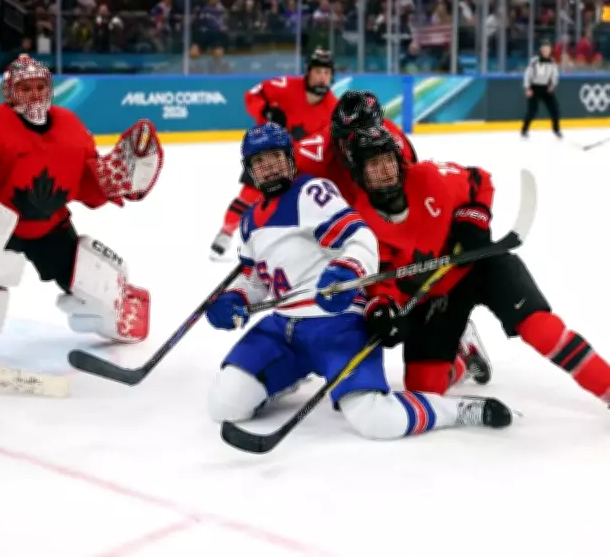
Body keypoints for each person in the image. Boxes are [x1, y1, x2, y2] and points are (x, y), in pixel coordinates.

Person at [204, 122, 513, 439]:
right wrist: (236, 298)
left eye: (275, 157)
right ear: (249, 171)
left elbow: (360, 238)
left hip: (338, 324)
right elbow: (254, 278)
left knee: (377, 421)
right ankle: (290, 374)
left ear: (290, 159)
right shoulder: (249, 222)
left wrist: (347, 271)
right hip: (283, 329)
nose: (268, 168)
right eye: (259, 161)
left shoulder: (311, 193)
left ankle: (460, 410)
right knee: (224, 405)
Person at [0, 54, 164, 376]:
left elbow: (87, 183)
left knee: (98, 284)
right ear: (10, 92)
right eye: (25, 88)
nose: (35, 95)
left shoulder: (71, 126)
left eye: (41, 86)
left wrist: (115, 178)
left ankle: (119, 306)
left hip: (51, 226)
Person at [331, 124, 610, 405]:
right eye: (374, 164)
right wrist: (384, 310)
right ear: (358, 173)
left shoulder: (429, 177)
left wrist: (472, 217)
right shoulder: (360, 224)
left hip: (480, 265)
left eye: (389, 160)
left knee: (541, 329)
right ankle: (466, 355)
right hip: (437, 295)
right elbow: (382, 279)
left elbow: (479, 179)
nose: (386, 170)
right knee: (423, 389)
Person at [329, 91, 493, 389]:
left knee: (415, 292)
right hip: (359, 226)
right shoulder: (339, 148)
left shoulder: (394, 145)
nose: (350, 143)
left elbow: (414, 196)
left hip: (394, 233)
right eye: (345, 136)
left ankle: (459, 339)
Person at [209, 48, 337, 259]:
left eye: (326, 73)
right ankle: (226, 232)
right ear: (308, 71)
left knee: (294, 205)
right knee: (249, 195)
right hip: (266, 151)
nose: (322, 78)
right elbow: (253, 95)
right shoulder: (285, 86)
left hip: (299, 162)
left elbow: (327, 142)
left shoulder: (332, 108)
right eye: (318, 72)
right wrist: (265, 112)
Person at [521, 39, 561, 139]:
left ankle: (556, 130)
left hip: (546, 88)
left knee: (555, 109)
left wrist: (552, 85)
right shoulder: (534, 61)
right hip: (534, 87)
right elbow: (527, 75)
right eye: (544, 48)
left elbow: (555, 76)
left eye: (547, 48)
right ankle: (524, 130)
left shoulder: (552, 62)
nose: (546, 50)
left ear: (550, 50)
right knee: (532, 111)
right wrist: (527, 88)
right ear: (541, 49)